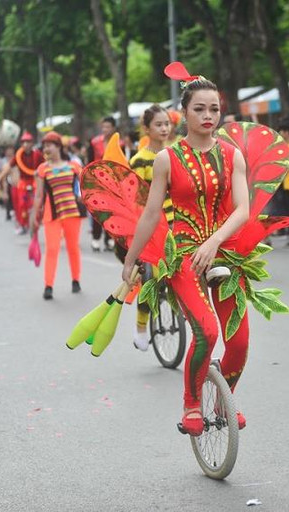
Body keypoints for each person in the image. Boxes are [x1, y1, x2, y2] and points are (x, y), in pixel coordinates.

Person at [122, 66, 252, 436]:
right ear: (185, 113)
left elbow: (243, 209)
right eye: (200, 109)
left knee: (239, 341)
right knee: (207, 332)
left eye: (214, 109)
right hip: (183, 256)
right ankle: (192, 402)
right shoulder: (167, 159)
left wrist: (214, 242)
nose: (209, 116)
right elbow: (150, 215)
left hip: (225, 252)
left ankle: (222, 401)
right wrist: (132, 260)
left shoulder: (232, 155)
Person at [128, 104, 173, 350]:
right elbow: (136, 202)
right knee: (150, 280)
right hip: (151, 228)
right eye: (159, 124)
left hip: (175, 225)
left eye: (167, 123)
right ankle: (141, 327)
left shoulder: (175, 154)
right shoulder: (138, 160)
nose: (164, 128)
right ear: (146, 129)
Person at [31, 131, 83, 300]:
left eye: (49, 145)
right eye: (44, 146)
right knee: (52, 249)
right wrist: (34, 216)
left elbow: (86, 186)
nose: (46, 148)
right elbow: (39, 195)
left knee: (72, 247)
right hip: (51, 214)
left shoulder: (74, 166)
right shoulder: (42, 169)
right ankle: (48, 285)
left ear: (58, 146)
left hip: (72, 212)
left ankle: (76, 280)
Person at [0, 131, 43, 235]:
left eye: (28, 142)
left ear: (32, 143)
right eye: (23, 142)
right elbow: (8, 167)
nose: (26, 144)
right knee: (21, 204)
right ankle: (22, 224)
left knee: (36, 203)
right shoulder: (18, 156)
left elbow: (46, 166)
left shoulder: (37, 154)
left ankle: (35, 222)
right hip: (23, 182)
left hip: (35, 181)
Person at [89, 117, 117, 251]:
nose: (105, 129)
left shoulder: (119, 143)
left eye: (108, 127)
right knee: (97, 210)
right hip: (97, 181)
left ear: (113, 128)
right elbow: (88, 162)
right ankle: (95, 238)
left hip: (112, 182)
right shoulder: (94, 142)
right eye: (103, 127)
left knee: (111, 212)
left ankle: (109, 239)